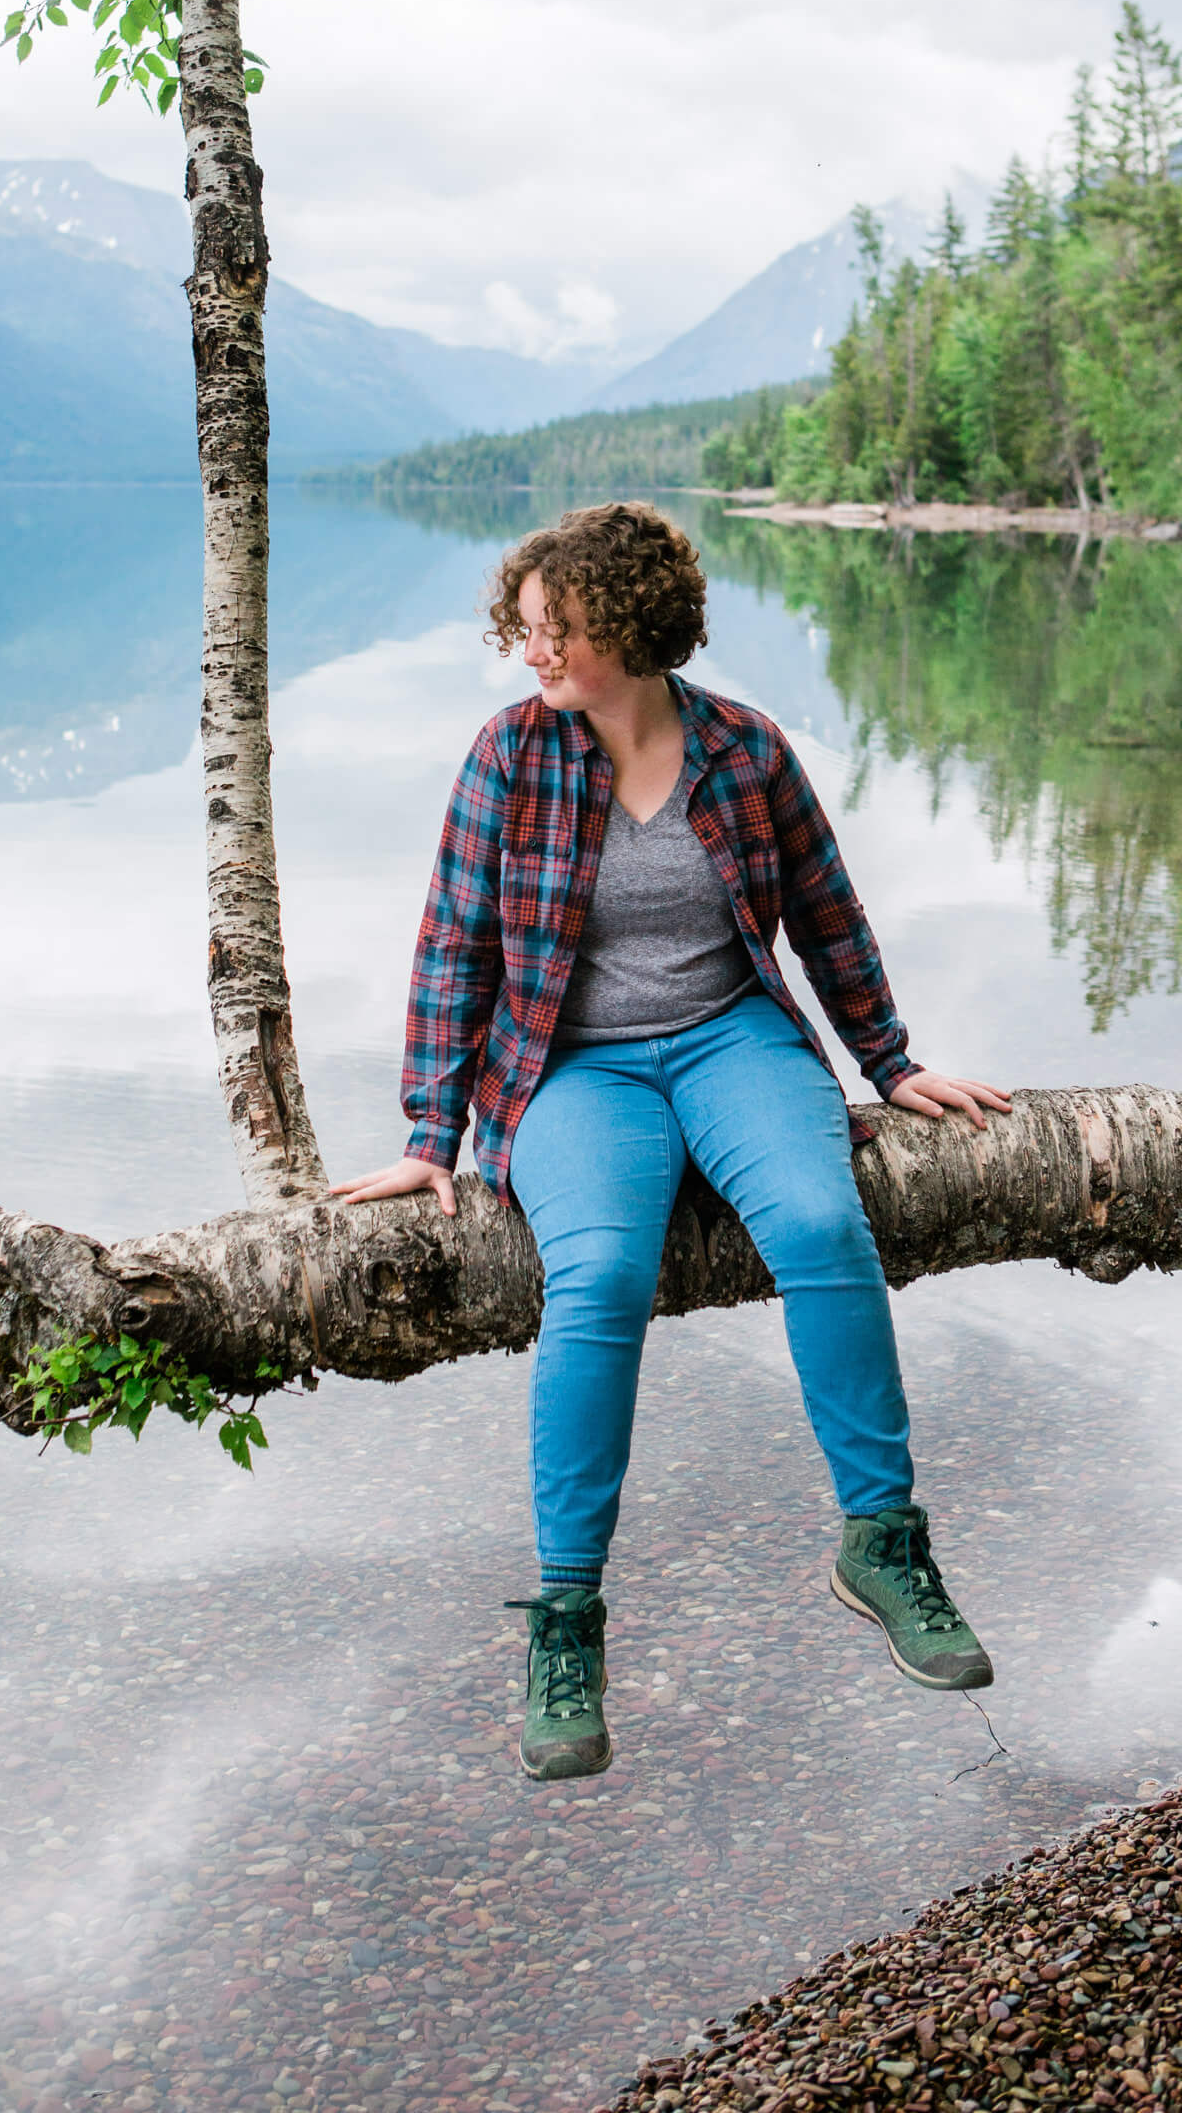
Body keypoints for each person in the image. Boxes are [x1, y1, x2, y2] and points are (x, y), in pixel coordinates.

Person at [334, 503, 1011, 1782]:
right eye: (522, 631)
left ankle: (882, 1541)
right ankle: (567, 1615)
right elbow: (452, 945)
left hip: (730, 1038)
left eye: (554, 631)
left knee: (818, 1225)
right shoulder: (509, 755)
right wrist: (433, 1130)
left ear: (628, 627)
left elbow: (824, 913)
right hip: (569, 1064)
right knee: (596, 1277)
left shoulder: (745, 750)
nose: (529, 654)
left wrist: (892, 1062)